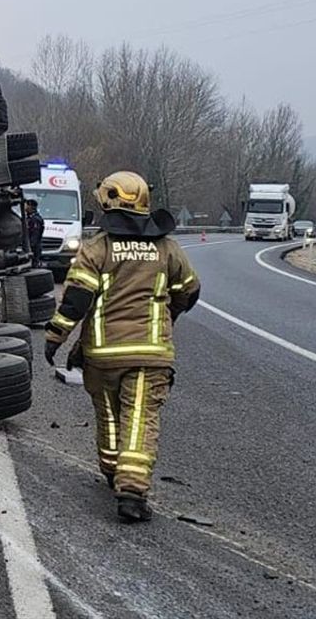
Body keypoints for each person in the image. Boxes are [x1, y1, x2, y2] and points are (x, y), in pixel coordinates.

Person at [43, 171, 200, 522]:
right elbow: (190, 290)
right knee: (140, 418)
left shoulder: (97, 248)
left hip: (101, 355)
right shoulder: (167, 248)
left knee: (111, 415)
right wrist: (167, 314)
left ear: (106, 203)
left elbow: (76, 301)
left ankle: (114, 470)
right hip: (149, 354)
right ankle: (131, 490)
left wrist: (55, 337)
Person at [24, 199, 45, 266]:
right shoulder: (28, 218)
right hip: (29, 246)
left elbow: (35, 234)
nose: (25, 207)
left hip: (34, 248)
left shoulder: (35, 219)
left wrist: (30, 246)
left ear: (30, 206)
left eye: (26, 205)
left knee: (33, 265)